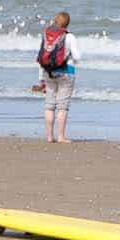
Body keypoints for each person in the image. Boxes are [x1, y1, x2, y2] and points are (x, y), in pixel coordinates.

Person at [36, 11, 80, 143]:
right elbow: (77, 57)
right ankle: (61, 137)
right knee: (63, 106)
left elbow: (42, 56)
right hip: (66, 72)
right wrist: (72, 61)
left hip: (48, 72)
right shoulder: (70, 36)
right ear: (67, 23)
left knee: (49, 105)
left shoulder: (47, 35)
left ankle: (49, 137)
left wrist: (41, 78)